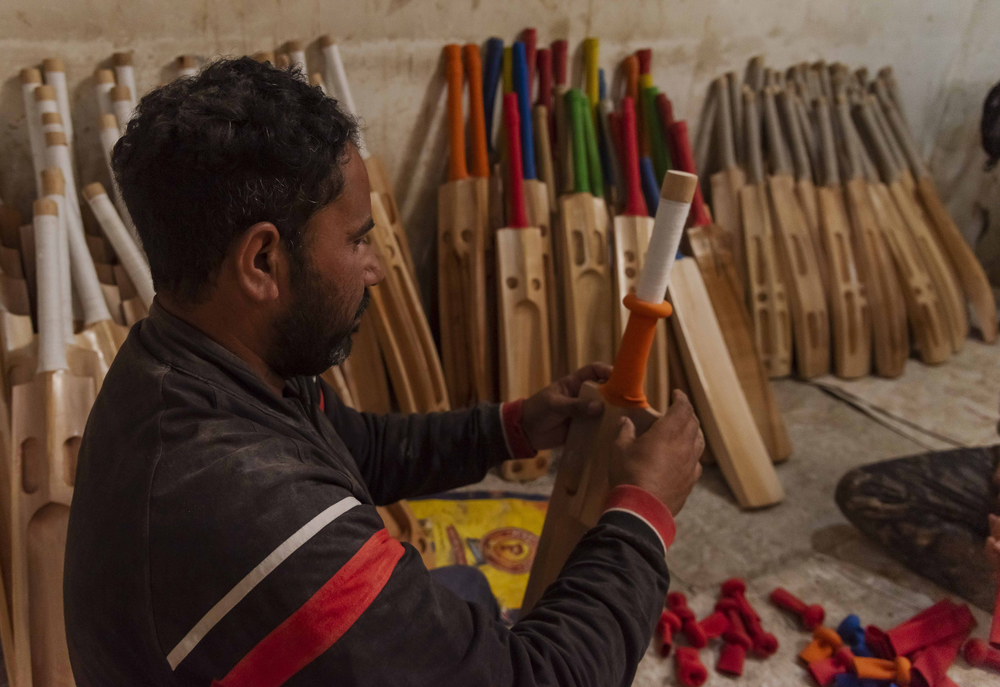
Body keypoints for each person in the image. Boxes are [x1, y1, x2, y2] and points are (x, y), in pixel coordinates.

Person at [63, 57, 705, 686]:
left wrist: (515, 427)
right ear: (262, 261)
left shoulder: (188, 362)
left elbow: (356, 448)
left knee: (468, 594)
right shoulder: (255, 515)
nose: (375, 269)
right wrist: (643, 513)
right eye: (357, 239)